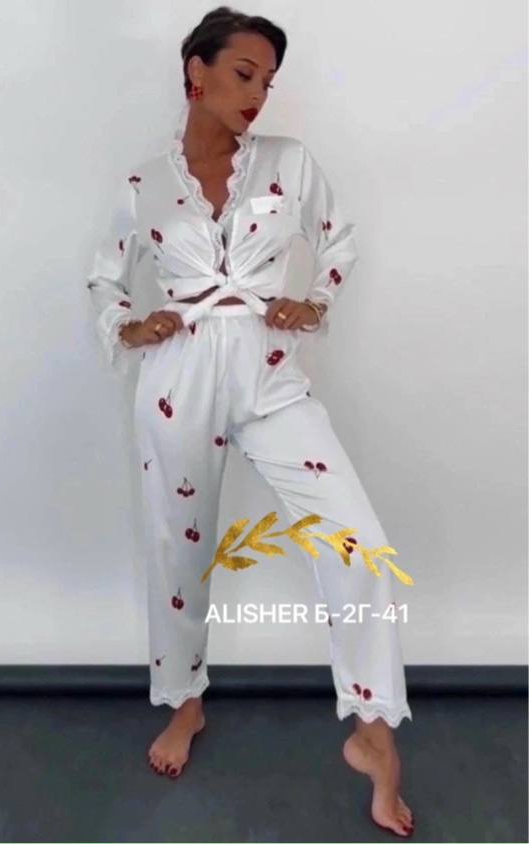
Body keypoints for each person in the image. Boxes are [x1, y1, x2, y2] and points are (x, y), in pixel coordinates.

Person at [86, 6, 414, 838]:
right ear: (194, 71)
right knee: (178, 550)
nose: (258, 93)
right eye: (243, 73)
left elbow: (339, 241)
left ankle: (373, 733)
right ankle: (185, 703)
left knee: (357, 541)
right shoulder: (143, 184)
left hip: (268, 373)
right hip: (177, 376)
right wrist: (131, 325)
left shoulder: (289, 164)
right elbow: (104, 278)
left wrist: (316, 302)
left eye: (268, 80)